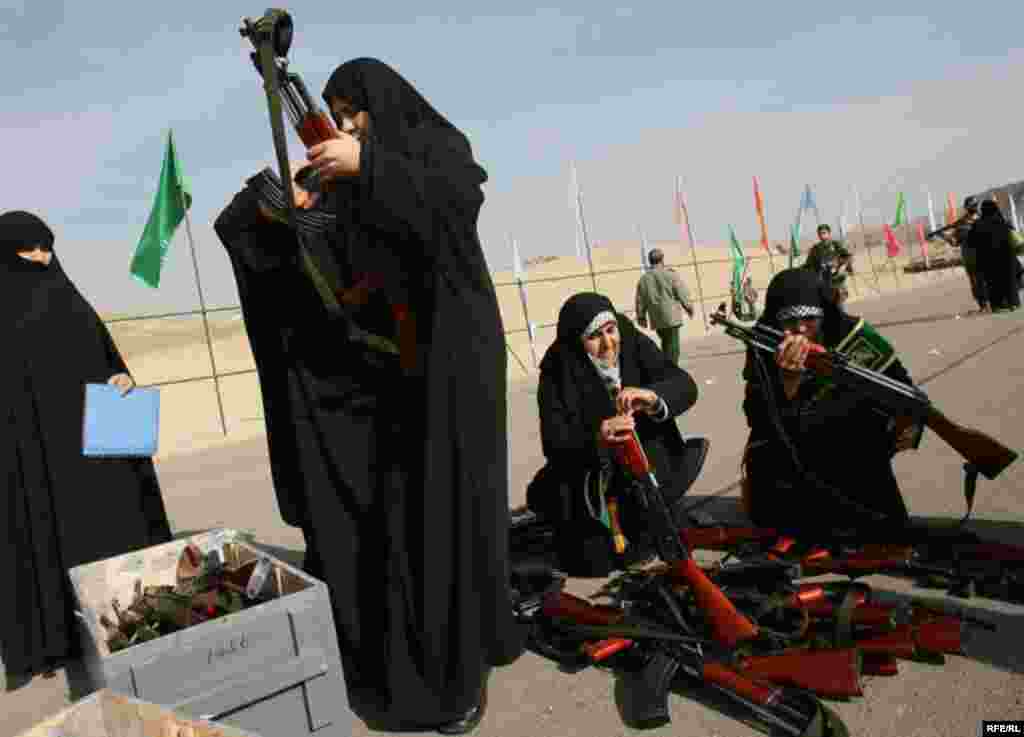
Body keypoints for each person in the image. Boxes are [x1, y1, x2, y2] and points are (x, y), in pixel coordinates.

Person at [216, 58, 521, 734]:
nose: (347, 124)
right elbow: (328, 263)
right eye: (336, 114)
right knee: (407, 521)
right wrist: (286, 205)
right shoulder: (349, 179)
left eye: (354, 109)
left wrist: (369, 163)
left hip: (452, 364)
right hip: (394, 370)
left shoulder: (437, 151)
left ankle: (460, 669)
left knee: (451, 512)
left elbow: (453, 204)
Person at [0, 211, 172, 686]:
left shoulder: (67, 295)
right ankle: (60, 637)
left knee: (114, 533)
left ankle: (131, 621)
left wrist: (120, 375)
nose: (43, 256)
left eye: (47, 245)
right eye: (29, 248)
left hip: (99, 448)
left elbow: (105, 355)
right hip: (36, 458)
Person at [526, 292, 699, 576]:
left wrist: (653, 397)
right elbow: (555, 444)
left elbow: (685, 386)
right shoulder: (558, 369)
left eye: (611, 330)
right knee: (592, 561)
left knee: (668, 540)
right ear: (578, 341)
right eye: (595, 336)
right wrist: (598, 435)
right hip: (595, 483)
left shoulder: (633, 343)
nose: (609, 343)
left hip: (650, 472)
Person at [740, 268, 921, 540]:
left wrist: (910, 422)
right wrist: (788, 383)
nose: (800, 329)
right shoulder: (764, 343)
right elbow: (756, 415)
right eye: (789, 320)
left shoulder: (852, 334)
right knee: (764, 458)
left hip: (853, 436)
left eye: (810, 319)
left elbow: (903, 386)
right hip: (790, 441)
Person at [634, 248, 695, 364]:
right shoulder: (670, 275)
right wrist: (689, 307)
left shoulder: (644, 279)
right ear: (662, 259)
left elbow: (640, 300)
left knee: (666, 343)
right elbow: (681, 292)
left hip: (657, 319)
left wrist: (641, 316)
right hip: (671, 318)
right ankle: (671, 370)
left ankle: (666, 367)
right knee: (673, 347)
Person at [969, 199, 1021, 312]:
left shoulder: (977, 224)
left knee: (992, 282)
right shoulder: (1003, 222)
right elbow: (1013, 237)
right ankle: (1013, 303)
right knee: (1009, 280)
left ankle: (997, 305)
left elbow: (971, 242)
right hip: (1006, 257)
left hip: (988, 260)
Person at [942, 196, 987, 313]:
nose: (975, 208)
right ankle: (983, 306)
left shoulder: (984, 219)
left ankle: (990, 304)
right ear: (967, 208)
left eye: (975, 205)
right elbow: (954, 242)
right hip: (969, 259)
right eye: (972, 206)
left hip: (982, 256)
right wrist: (944, 236)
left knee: (984, 281)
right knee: (975, 283)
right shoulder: (961, 224)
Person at [804, 224, 853, 292]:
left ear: (829, 233)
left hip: (837, 278)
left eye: (824, 233)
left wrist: (843, 267)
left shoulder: (836, 245)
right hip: (822, 280)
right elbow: (808, 264)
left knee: (839, 296)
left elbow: (848, 257)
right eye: (819, 234)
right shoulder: (815, 248)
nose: (822, 236)